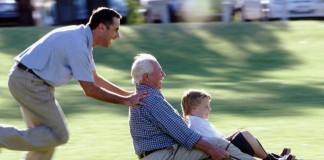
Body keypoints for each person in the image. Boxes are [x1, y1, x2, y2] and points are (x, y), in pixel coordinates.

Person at [0, 7, 148, 160]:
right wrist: (126, 101)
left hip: (29, 81)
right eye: (116, 29)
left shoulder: (82, 39)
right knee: (59, 134)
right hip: (29, 82)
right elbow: (90, 90)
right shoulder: (78, 46)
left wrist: (129, 95)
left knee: (45, 138)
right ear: (102, 27)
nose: (117, 35)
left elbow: (95, 79)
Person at [129, 53, 258, 160]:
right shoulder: (150, 99)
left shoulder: (142, 96)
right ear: (146, 77)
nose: (163, 75)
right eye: (159, 72)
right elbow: (183, 134)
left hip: (161, 153)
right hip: (163, 155)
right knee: (219, 145)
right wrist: (212, 149)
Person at [181, 89, 297, 160]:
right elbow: (218, 142)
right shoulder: (198, 124)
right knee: (243, 134)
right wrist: (236, 136)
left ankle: (273, 156)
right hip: (223, 152)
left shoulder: (197, 121)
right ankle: (271, 158)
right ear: (194, 108)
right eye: (206, 106)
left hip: (223, 147)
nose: (209, 109)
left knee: (241, 134)